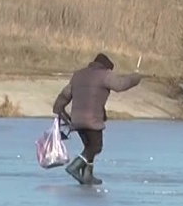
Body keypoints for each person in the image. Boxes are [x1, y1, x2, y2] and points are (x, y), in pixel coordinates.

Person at [52, 53, 143, 185]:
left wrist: (60, 111)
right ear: (107, 67)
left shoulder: (78, 75)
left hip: (77, 120)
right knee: (96, 147)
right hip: (92, 119)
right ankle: (74, 167)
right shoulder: (104, 75)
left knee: (89, 147)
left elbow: (65, 95)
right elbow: (121, 85)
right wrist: (136, 77)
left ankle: (88, 175)